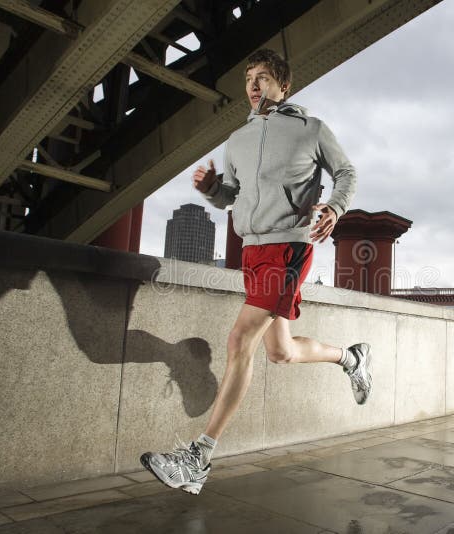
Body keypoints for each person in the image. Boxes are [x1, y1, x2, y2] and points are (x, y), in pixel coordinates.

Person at [140, 49, 371, 495]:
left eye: (263, 78)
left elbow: (346, 171)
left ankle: (198, 458)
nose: (253, 85)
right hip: (252, 250)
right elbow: (231, 194)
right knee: (280, 352)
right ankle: (352, 358)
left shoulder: (311, 129)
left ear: (283, 87)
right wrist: (212, 189)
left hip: (288, 245)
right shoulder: (238, 140)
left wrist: (335, 208)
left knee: (238, 340)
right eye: (249, 77)